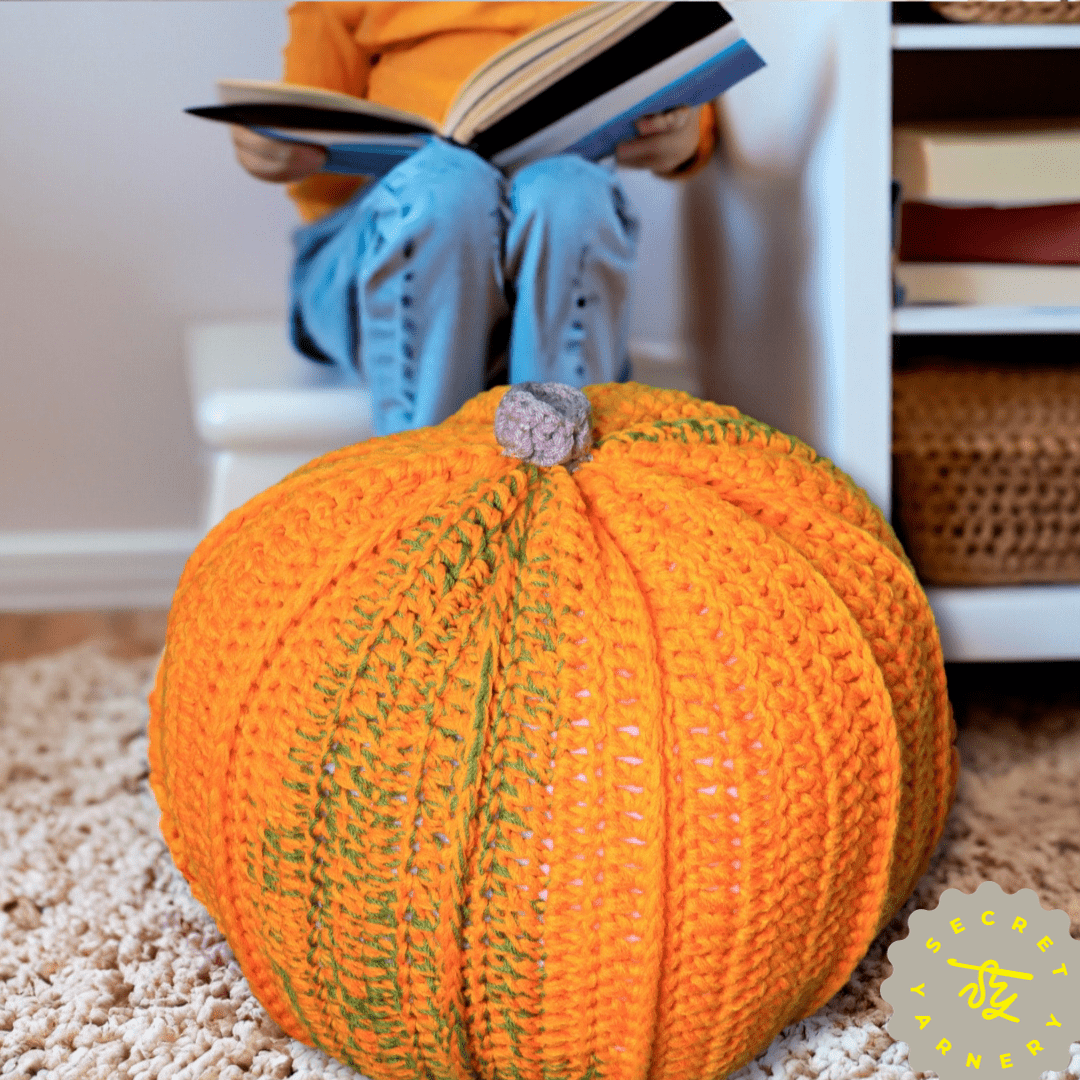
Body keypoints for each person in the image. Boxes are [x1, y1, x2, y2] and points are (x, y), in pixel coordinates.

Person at [233, 2, 718, 437]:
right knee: (446, 189)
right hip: (379, 262)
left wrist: (682, 133)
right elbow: (318, 181)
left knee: (569, 191)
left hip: (542, 273)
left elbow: (684, 99)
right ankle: (431, 489)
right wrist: (282, 149)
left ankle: (557, 482)